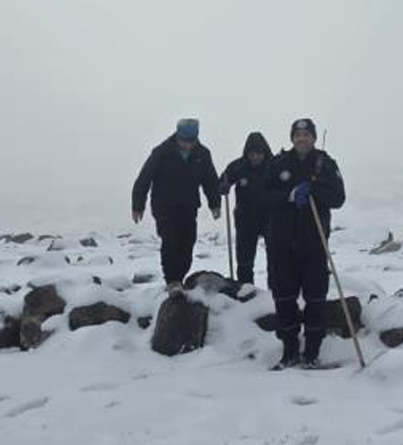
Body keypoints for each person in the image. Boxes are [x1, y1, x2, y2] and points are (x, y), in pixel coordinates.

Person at [263, 118, 345, 369]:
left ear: (314, 138)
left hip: (314, 243)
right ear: (292, 138)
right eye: (298, 135)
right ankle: (289, 351)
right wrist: (289, 195)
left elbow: (338, 198)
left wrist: (314, 189)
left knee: (315, 299)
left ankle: (311, 352)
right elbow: (262, 196)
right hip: (281, 244)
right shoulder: (278, 164)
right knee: (284, 299)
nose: (302, 139)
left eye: (306, 135)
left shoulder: (325, 164)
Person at [132, 118, 221, 293]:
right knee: (170, 240)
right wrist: (137, 205)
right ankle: (172, 280)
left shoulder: (203, 154)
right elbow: (144, 179)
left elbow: (210, 181)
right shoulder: (161, 152)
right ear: (177, 136)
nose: (188, 145)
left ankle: (179, 278)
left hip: (188, 206)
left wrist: (215, 204)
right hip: (164, 206)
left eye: (192, 141)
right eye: (184, 141)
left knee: (187, 242)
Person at [218, 132, 274, 285]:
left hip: (270, 217)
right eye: (251, 154)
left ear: (265, 152)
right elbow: (222, 182)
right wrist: (223, 186)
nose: (255, 157)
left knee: (275, 258)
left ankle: (275, 291)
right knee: (244, 260)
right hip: (245, 217)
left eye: (259, 153)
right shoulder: (238, 166)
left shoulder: (274, 165)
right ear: (246, 153)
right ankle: (246, 290)